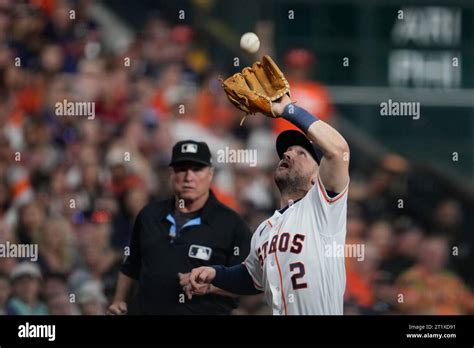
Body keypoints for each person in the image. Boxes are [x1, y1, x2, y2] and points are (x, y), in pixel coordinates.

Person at [184, 91, 350, 315]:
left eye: (301, 153)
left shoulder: (322, 205)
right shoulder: (264, 229)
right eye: (287, 151)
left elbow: (339, 151)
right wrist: (216, 274)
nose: (289, 154)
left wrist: (289, 110)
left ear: (316, 177)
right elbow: (252, 277)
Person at [108, 140, 252, 315]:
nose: (188, 177)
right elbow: (130, 267)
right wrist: (119, 301)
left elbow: (251, 281)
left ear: (210, 174)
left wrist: (211, 286)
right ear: (171, 174)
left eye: (197, 169)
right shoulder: (149, 215)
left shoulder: (232, 224)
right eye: (181, 169)